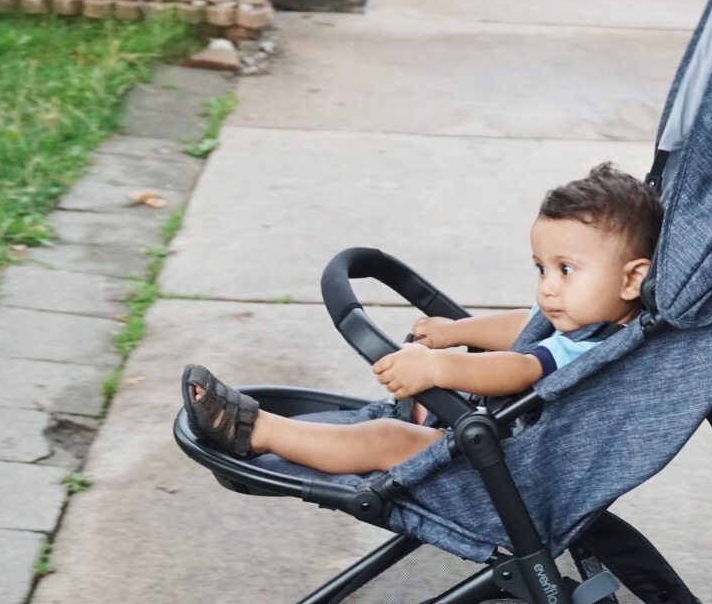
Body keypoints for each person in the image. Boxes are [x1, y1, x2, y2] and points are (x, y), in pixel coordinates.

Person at [181, 163, 659, 471]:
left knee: (386, 438)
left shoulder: (594, 348)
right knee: (414, 414)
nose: (548, 285)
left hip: (502, 471)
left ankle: (259, 432)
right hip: (491, 435)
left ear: (631, 279)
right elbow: (528, 325)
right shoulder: (596, 318)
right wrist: (455, 332)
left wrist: (437, 367)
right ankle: (354, 427)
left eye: (566, 269)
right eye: (541, 268)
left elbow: (522, 366)